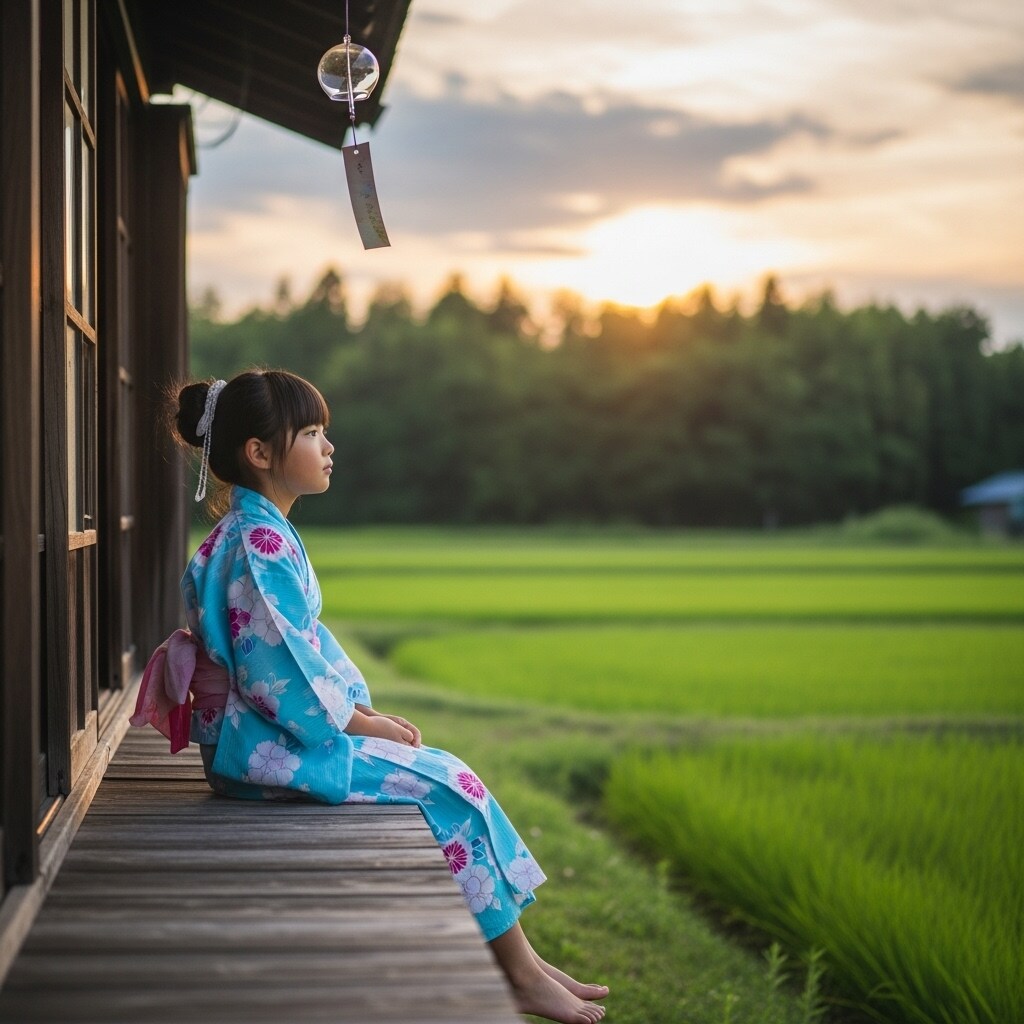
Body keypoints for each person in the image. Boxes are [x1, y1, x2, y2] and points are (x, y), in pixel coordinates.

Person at [131, 369, 608, 1024]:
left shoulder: (254, 536)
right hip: (264, 752)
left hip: (263, 743)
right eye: (313, 432)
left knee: (448, 777)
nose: (329, 446)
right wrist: (355, 721)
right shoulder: (259, 544)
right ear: (260, 453)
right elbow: (282, 666)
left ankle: (520, 959)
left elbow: (304, 647)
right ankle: (520, 971)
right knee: (448, 785)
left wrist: (364, 716)